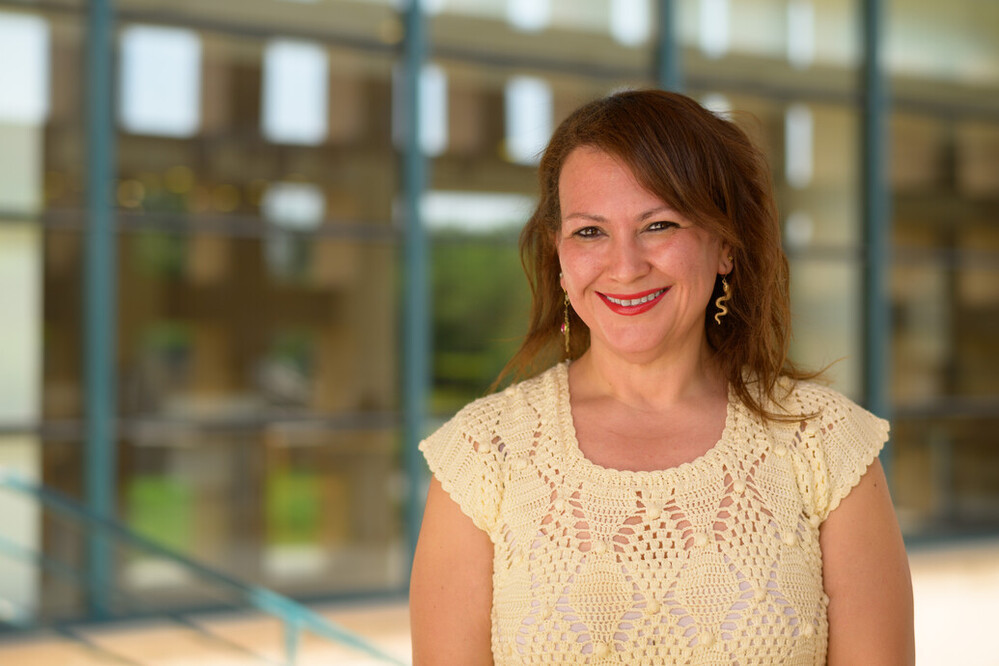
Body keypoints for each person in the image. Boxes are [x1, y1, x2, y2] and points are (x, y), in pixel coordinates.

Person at [409, 89, 914, 665]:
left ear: (725, 245)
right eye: (589, 232)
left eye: (659, 225)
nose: (625, 267)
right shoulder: (483, 455)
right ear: (558, 255)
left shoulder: (823, 442)